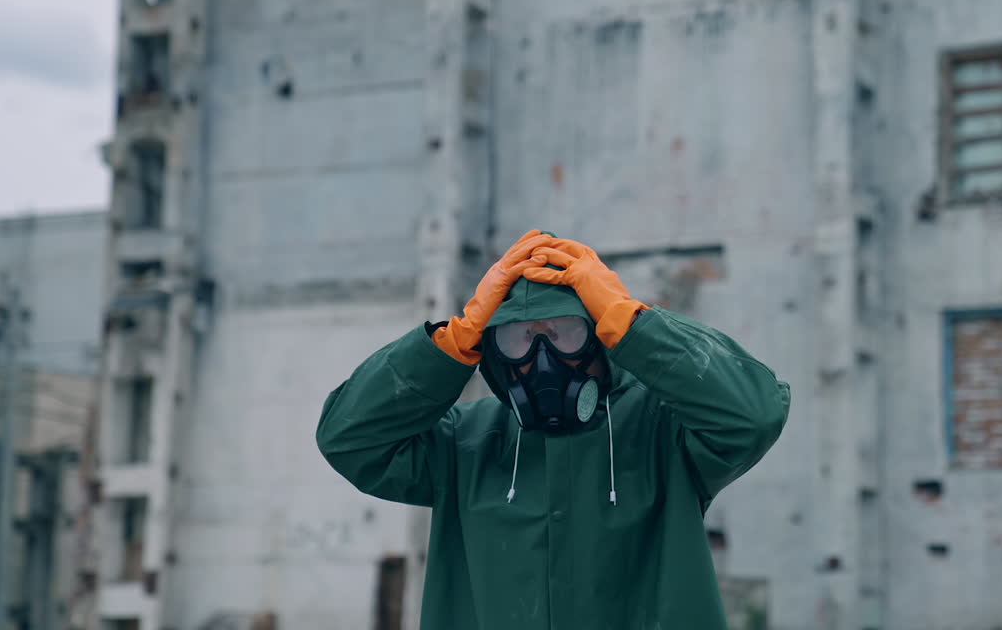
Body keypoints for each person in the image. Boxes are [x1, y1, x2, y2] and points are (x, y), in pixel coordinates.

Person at [316, 230, 790, 630]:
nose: (542, 356)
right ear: (494, 351)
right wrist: (450, 343)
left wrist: (631, 321)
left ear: (600, 335)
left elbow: (754, 413)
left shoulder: (662, 431)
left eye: (564, 331)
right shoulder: (465, 444)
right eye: (519, 337)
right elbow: (350, 438)